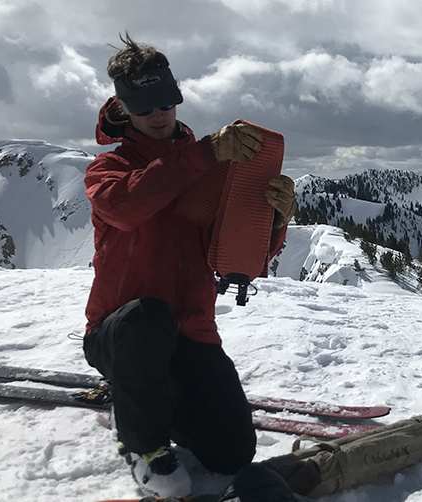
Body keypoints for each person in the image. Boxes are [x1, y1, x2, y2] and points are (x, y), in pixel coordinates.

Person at [82, 35, 298, 498]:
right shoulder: (108, 168)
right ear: (123, 106)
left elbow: (238, 255)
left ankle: (152, 401)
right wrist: (202, 155)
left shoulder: (209, 167)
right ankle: (143, 444)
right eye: (144, 105)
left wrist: (274, 219)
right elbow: (126, 207)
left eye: (166, 101)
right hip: (118, 336)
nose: (158, 114)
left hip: (191, 333)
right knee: (148, 315)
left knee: (233, 453)